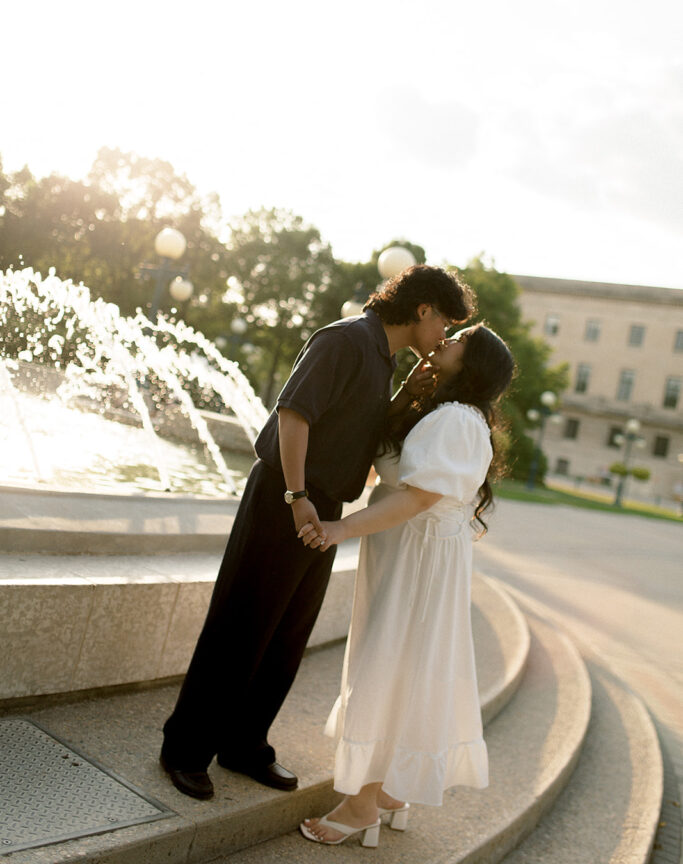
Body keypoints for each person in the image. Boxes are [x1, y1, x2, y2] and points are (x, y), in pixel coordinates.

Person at [160, 265, 475, 800]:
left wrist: (402, 398)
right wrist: (297, 496)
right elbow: (294, 414)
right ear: (423, 309)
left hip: (321, 505)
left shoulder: (384, 357)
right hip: (286, 498)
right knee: (241, 624)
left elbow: (358, 433)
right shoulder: (346, 338)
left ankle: (243, 745)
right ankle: (185, 750)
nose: (445, 334)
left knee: (285, 634)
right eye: (446, 320)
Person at [298, 322, 515, 847]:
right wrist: (410, 392)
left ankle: (362, 805)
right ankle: (391, 791)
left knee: (391, 665)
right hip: (405, 551)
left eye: (461, 337)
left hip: (418, 556)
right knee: (399, 663)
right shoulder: (440, 411)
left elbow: (418, 498)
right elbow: (388, 461)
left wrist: (340, 528)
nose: (448, 337)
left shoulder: (459, 420)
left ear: (474, 363)